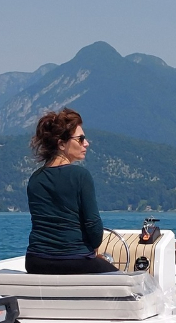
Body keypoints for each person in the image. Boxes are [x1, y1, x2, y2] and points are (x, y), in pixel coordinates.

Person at [25, 108, 118, 274]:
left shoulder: (35, 179)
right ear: (61, 144)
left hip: (35, 261)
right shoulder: (80, 175)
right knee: (122, 280)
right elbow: (94, 228)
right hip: (75, 260)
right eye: (80, 139)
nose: (86, 143)